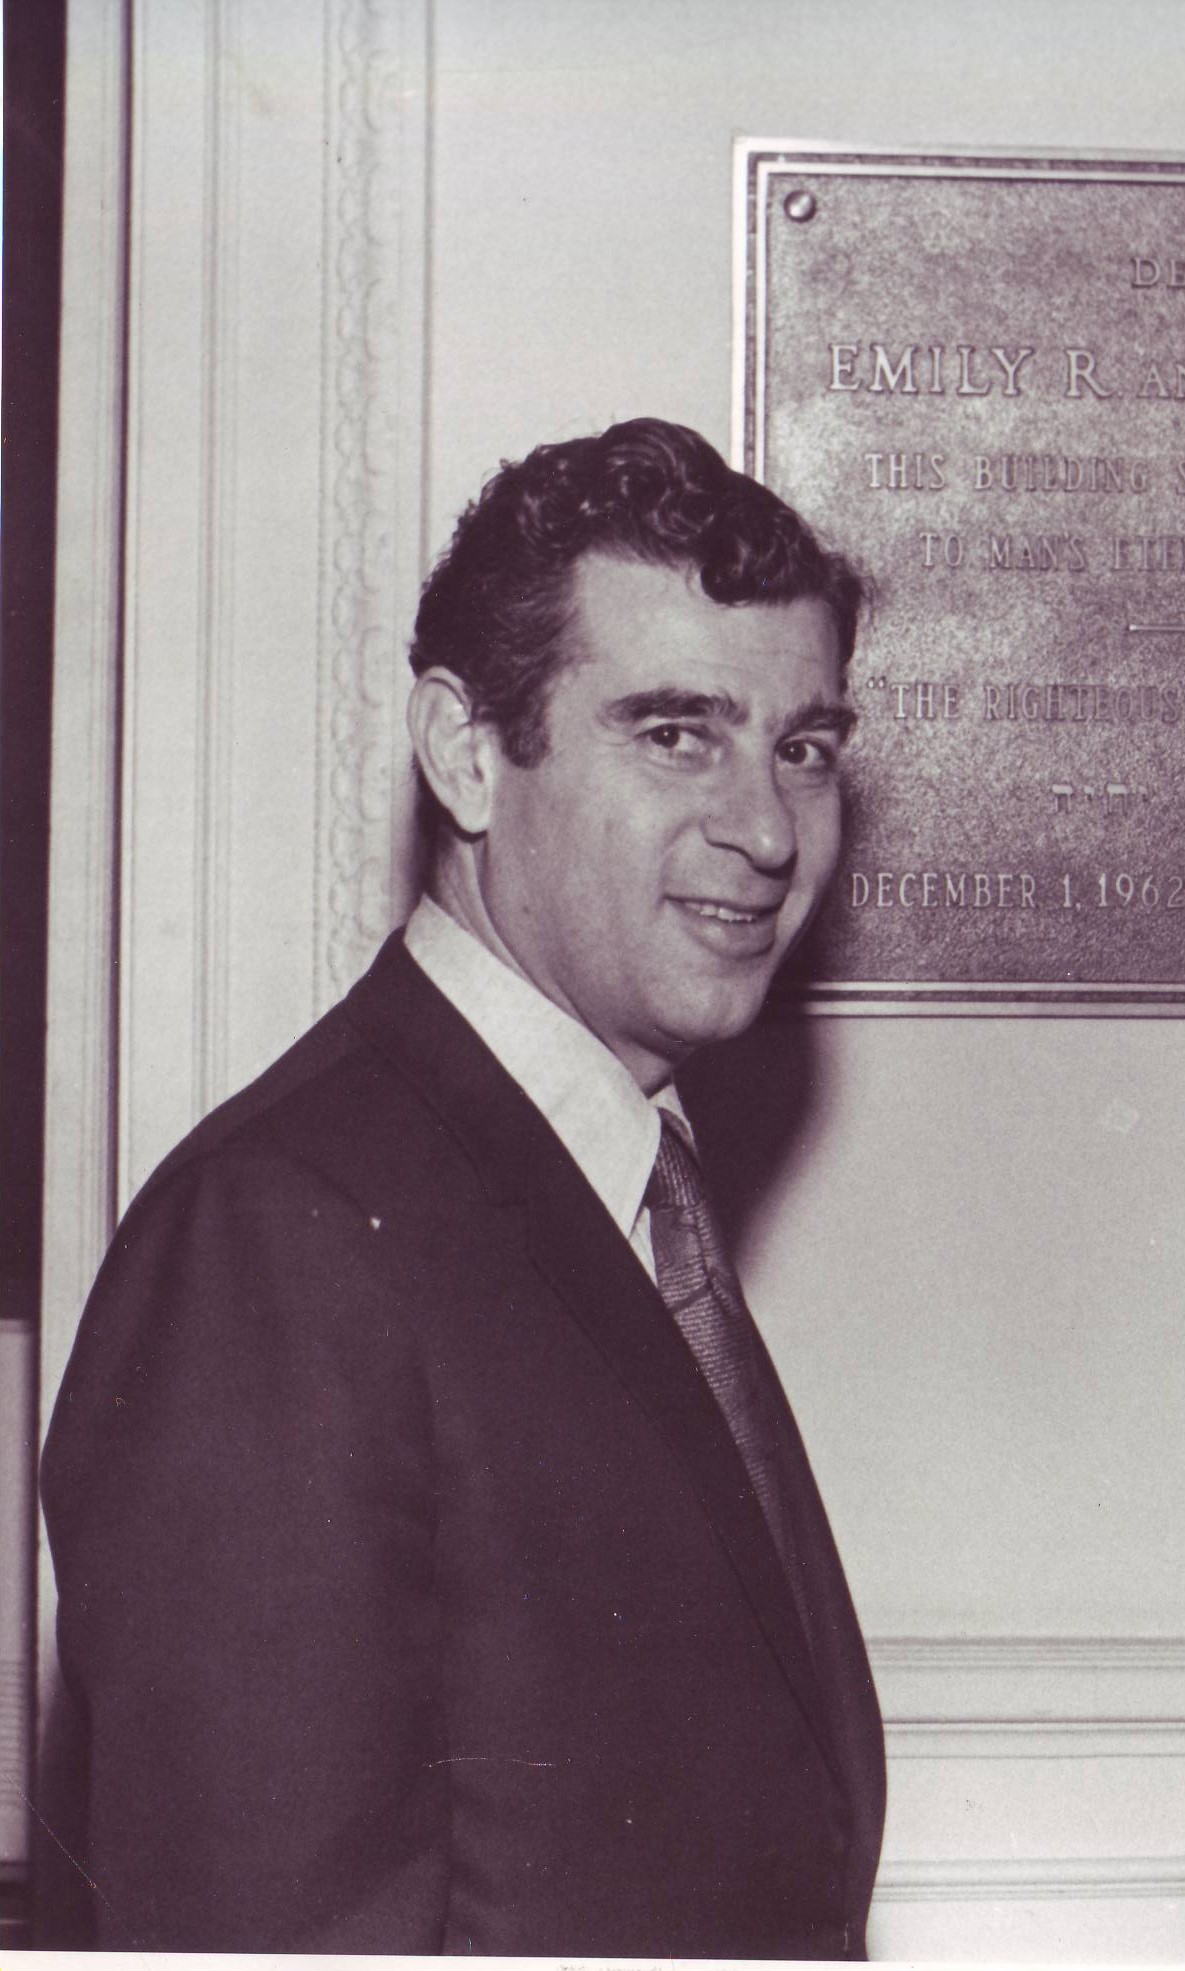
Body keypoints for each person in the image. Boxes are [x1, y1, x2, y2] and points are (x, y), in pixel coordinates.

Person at [35, 418, 888, 1955]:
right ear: (464, 751)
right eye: (675, 732)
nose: (766, 829)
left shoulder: (625, 1187)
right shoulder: (275, 1243)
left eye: (804, 747)